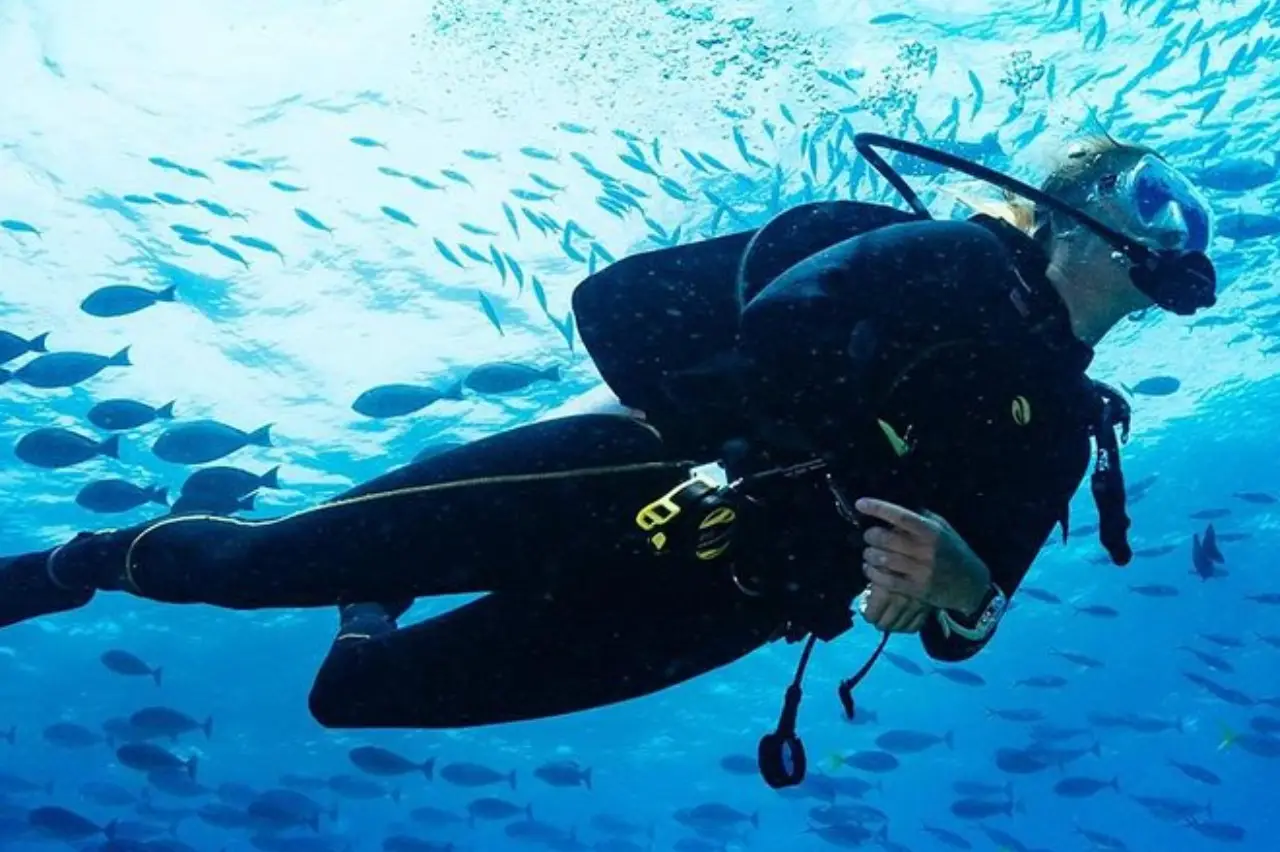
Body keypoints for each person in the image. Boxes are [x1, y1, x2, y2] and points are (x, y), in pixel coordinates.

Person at [0, 132, 1216, 787]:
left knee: (353, 697)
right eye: (1151, 195)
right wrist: (838, 477)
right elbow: (779, 325)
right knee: (251, 565)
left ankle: (368, 615)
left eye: (1192, 219)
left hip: (725, 609)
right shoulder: (944, 260)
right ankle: (77, 558)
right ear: (1071, 211)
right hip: (627, 479)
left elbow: (965, 616)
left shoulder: (1067, 427)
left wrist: (954, 590)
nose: (1175, 230)